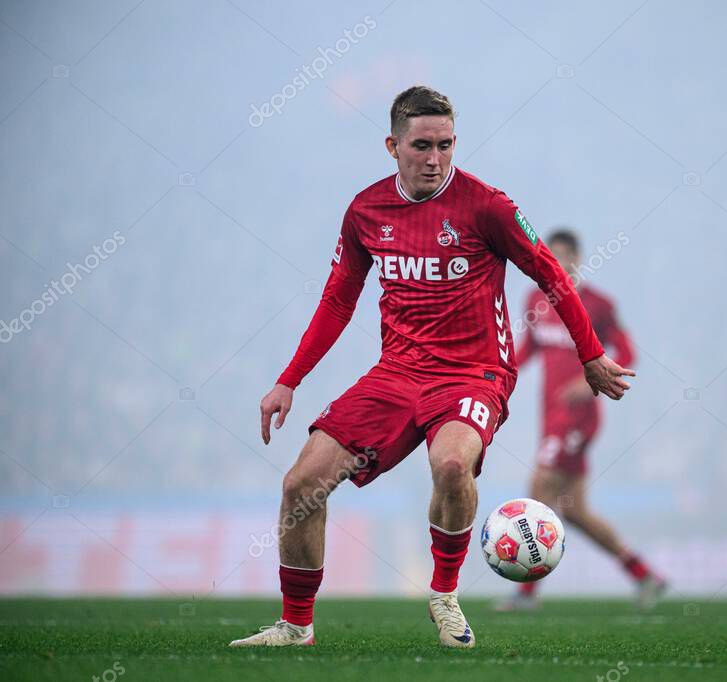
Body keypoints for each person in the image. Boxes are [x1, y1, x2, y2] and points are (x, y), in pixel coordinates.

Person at [228, 86, 635, 649]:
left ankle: (444, 596)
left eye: (445, 145)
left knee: (450, 465)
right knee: (301, 484)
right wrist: (289, 379)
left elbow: (551, 276)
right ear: (392, 145)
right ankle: (296, 626)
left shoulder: (489, 206)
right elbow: (337, 300)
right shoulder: (366, 211)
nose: (434, 159)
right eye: (421, 146)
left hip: (476, 373)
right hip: (396, 373)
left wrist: (590, 356)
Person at [496, 229, 665, 611]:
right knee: (573, 510)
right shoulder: (535, 300)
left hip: (578, 418)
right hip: (549, 416)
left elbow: (626, 351)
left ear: (577, 259)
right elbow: (528, 349)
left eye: (562, 257)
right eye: (549, 257)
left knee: (537, 494)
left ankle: (526, 592)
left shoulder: (599, 305)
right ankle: (644, 574)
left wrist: (586, 378)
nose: (555, 264)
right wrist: (499, 371)